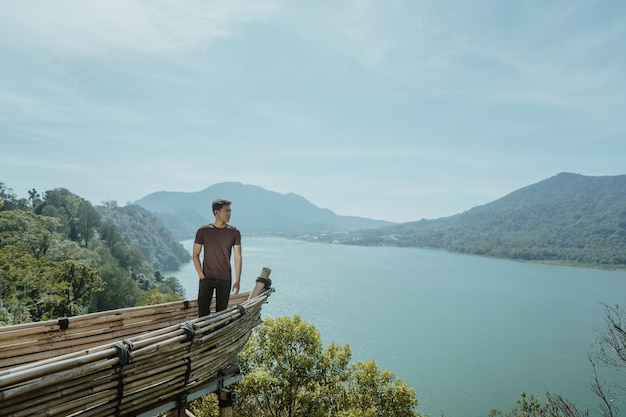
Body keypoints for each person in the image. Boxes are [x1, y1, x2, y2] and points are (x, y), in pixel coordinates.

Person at [192, 198, 242, 317]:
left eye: (230, 211)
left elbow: (237, 256)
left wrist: (237, 280)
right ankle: (205, 335)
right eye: (226, 211)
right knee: (203, 313)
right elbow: (195, 255)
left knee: (221, 315)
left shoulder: (234, 232)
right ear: (216, 212)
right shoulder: (203, 231)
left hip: (225, 279)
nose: (229, 214)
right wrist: (201, 275)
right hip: (206, 278)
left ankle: (218, 335)